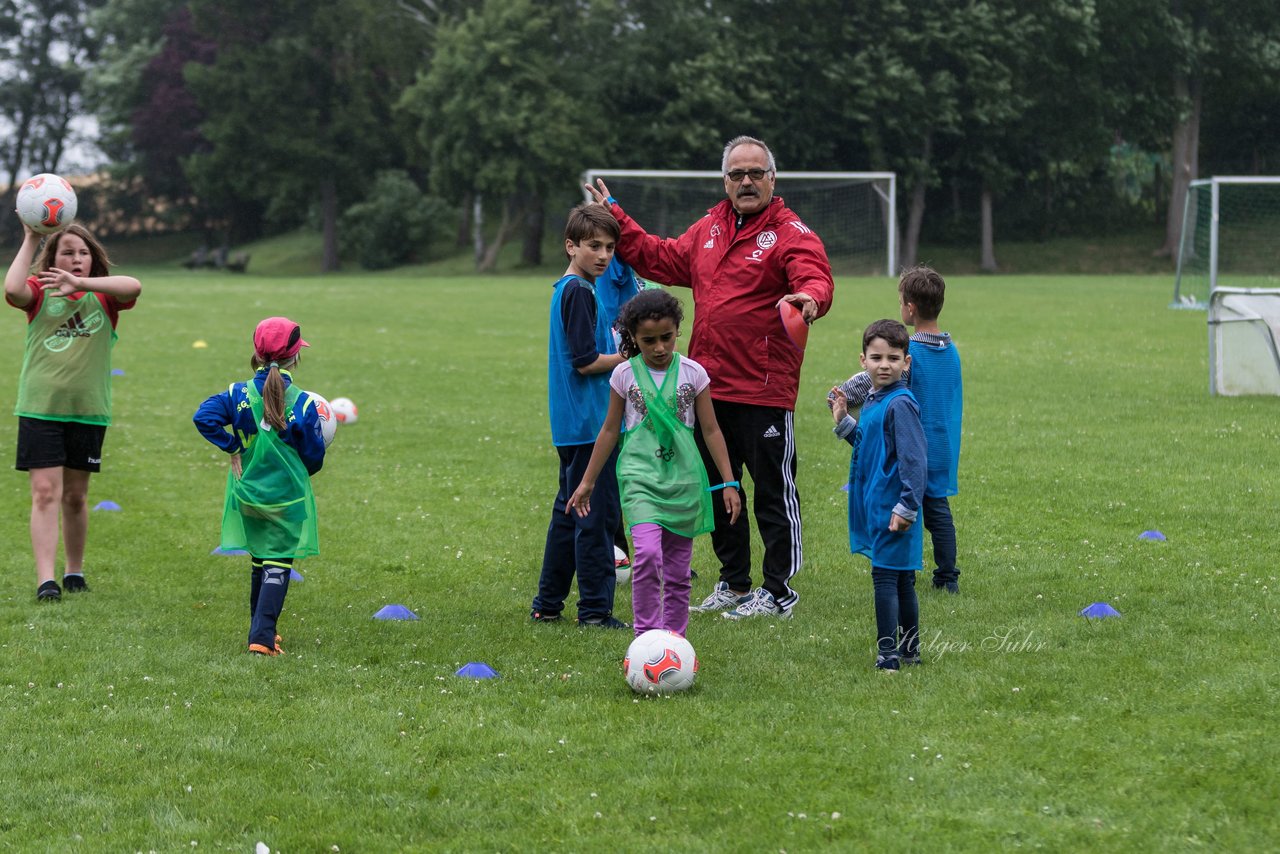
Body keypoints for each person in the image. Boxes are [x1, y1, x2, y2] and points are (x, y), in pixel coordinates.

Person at [586, 135, 834, 620]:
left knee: (772, 492)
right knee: (720, 487)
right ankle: (734, 582)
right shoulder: (709, 228)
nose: (745, 181)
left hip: (764, 387)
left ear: (771, 179)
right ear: (725, 180)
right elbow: (658, 256)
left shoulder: (790, 232)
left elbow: (815, 276)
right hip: (706, 388)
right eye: (736, 174)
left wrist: (809, 298)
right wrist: (619, 219)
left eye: (755, 173)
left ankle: (779, 591)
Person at [568, 289, 741, 637]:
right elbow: (608, 431)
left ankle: (674, 640)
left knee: (678, 572)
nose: (660, 348)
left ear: (678, 330)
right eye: (649, 341)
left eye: (667, 337)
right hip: (640, 479)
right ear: (632, 338)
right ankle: (645, 636)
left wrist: (728, 482)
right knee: (647, 555)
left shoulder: (694, 373)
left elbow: (711, 430)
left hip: (683, 482)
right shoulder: (624, 375)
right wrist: (587, 482)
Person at [4, 223, 142, 601]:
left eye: (82, 253)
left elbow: (134, 286)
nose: (75, 259)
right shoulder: (39, 292)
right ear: (52, 259)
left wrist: (85, 285)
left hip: (88, 411)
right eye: (67, 252)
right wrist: (32, 237)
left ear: (93, 259)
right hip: (40, 408)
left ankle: (74, 570)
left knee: (76, 497)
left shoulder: (105, 297)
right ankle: (46, 580)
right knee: (46, 493)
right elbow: (12, 290)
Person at [193, 317, 326, 655]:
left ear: (256, 353)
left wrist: (233, 446)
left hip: (248, 494)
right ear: (296, 357)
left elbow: (203, 417)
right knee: (278, 563)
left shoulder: (238, 394)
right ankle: (262, 639)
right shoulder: (305, 404)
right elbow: (314, 457)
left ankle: (260, 628)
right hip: (286, 497)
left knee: (259, 559)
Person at [830, 266, 963, 592]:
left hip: (911, 448)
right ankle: (947, 577)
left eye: (901, 300)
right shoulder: (952, 350)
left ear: (910, 308)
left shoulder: (909, 354)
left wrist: (838, 399)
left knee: (903, 507)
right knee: (938, 512)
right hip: (944, 445)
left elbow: (863, 387)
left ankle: (908, 572)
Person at [530, 204, 629, 629]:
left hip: (572, 424)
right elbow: (586, 362)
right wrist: (628, 356)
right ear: (571, 246)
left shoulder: (572, 288)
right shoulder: (579, 292)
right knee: (596, 518)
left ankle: (548, 604)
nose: (603, 255)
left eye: (609, 247)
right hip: (590, 424)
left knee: (569, 514)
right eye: (593, 246)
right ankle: (594, 612)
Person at [831, 319, 926, 671]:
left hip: (895, 508)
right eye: (876, 357)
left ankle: (890, 654)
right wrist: (843, 420)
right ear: (863, 360)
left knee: (887, 578)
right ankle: (910, 651)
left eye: (893, 357)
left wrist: (907, 506)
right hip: (880, 506)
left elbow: (915, 460)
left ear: (907, 362)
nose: (884, 364)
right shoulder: (873, 400)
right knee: (901, 579)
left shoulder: (900, 403)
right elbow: (870, 446)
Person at [594, 256, 644, 571]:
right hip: (619, 364)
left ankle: (654, 549)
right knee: (615, 466)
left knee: (641, 464)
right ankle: (616, 549)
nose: (604, 251)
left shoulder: (627, 262)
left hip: (635, 361)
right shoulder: (606, 266)